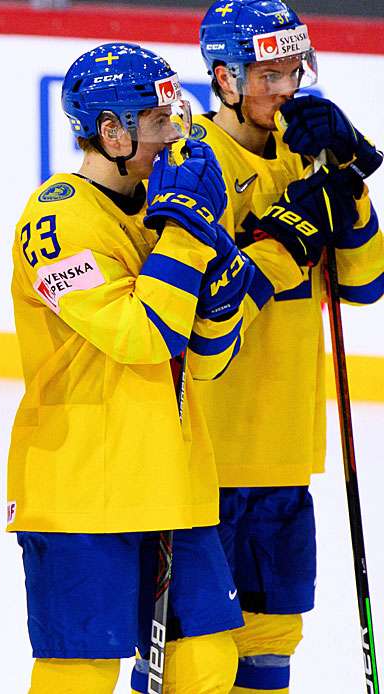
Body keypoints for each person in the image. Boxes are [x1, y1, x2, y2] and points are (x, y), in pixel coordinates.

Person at [6, 43, 300, 693]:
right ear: (111, 130)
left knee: (207, 663)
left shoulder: (168, 207)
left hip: (173, 476)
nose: (177, 132)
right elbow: (143, 335)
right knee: (79, 669)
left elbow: (208, 355)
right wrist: (192, 235)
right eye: (161, 120)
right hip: (84, 482)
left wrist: (226, 287)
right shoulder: (57, 216)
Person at [190, 2, 383, 691]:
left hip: (283, 446)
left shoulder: (308, 148)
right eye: (265, 72)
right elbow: (202, 294)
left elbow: (365, 284)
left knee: (270, 648)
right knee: (195, 653)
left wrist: (351, 183)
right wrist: (292, 222)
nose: (284, 85)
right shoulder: (193, 159)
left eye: (291, 68)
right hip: (205, 449)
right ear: (223, 78)